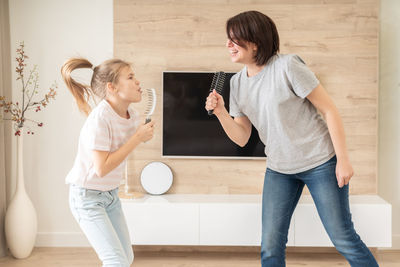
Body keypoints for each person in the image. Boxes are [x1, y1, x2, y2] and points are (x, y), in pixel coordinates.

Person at [205, 11, 378, 267]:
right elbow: (242, 138)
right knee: (271, 247)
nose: (228, 45)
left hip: (321, 162)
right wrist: (220, 113)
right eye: (227, 39)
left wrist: (343, 160)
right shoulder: (238, 83)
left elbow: (329, 110)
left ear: (256, 40)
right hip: (279, 169)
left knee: (343, 238)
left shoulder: (287, 66)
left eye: (235, 39)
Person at [61, 58, 155, 267]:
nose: (138, 82)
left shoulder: (133, 115)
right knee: (116, 261)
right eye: (130, 77)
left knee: (126, 258)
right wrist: (137, 138)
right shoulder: (100, 119)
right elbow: (101, 168)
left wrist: (142, 135)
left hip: (111, 196)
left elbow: (125, 144)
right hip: (87, 197)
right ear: (111, 87)